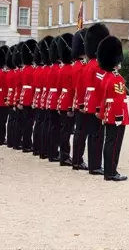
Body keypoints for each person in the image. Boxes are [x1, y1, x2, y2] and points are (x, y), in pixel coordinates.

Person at [98, 35, 129, 182]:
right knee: (115, 143)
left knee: (109, 142)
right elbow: (117, 100)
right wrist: (118, 116)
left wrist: (103, 113)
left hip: (108, 113)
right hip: (117, 114)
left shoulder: (106, 77)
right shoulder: (116, 78)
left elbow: (103, 97)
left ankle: (108, 171)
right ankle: (112, 172)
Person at [83, 23, 110, 176]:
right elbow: (102, 86)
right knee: (97, 135)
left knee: (92, 134)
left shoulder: (88, 65)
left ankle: (94, 163)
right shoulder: (98, 66)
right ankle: (95, 165)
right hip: (96, 103)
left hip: (88, 101)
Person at [71, 29, 89, 171]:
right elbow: (80, 86)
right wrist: (82, 103)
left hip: (76, 101)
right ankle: (77, 160)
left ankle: (76, 159)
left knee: (79, 131)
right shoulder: (82, 66)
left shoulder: (75, 65)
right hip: (81, 103)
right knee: (81, 132)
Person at [57, 33, 75, 166]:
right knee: (67, 131)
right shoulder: (71, 70)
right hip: (68, 102)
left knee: (63, 129)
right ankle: (65, 155)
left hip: (61, 100)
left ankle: (63, 154)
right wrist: (70, 106)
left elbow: (59, 88)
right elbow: (72, 89)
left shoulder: (61, 69)